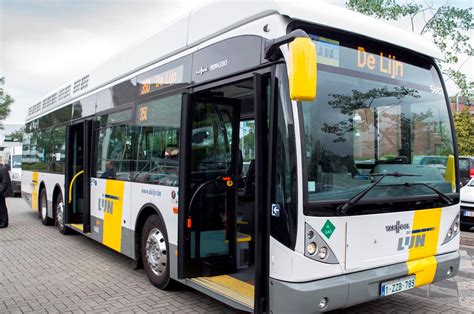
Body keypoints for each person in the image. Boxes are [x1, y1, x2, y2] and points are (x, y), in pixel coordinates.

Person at [0, 164, 13, 228]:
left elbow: (5, 182)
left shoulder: (3, 169)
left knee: (2, 207)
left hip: (1, 192)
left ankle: (4, 222)